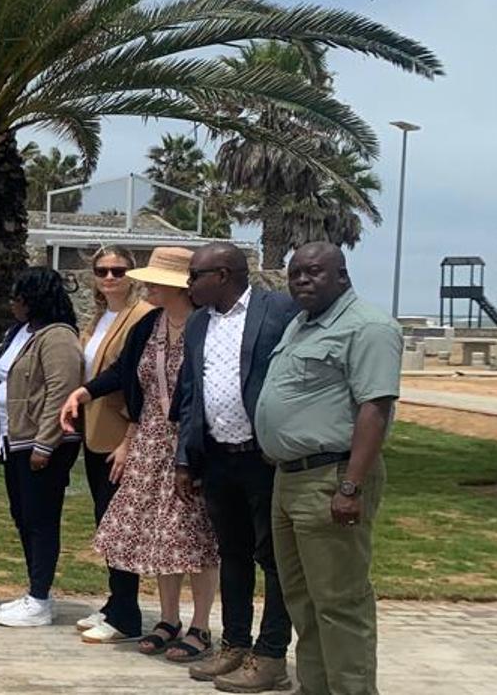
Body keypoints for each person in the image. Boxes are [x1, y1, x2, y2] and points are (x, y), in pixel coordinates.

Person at [256, 243, 401, 695]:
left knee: (341, 602)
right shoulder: (301, 325)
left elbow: (374, 408)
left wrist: (351, 487)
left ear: (342, 275)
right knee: (302, 599)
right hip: (289, 479)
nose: (301, 281)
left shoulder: (369, 328)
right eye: (295, 273)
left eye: (314, 272)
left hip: (332, 478)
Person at [63, 247, 220, 658]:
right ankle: (169, 619)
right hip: (150, 439)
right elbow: (124, 372)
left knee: (194, 535)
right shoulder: (151, 324)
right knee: (159, 534)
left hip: (189, 442)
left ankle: (201, 626)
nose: (146, 285)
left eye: (154, 279)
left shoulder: (205, 325)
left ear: (178, 285)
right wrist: (85, 391)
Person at [174, 242, 300, 692]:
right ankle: (235, 646)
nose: (188, 284)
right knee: (232, 555)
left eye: (195, 275)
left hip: (265, 459)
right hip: (219, 459)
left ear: (222, 275)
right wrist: (185, 460)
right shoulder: (197, 323)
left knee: (275, 559)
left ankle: (270, 656)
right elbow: (190, 393)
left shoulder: (278, 310)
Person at [68, 245, 153, 642]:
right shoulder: (99, 318)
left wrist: (129, 439)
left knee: (119, 523)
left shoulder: (143, 317)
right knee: (104, 520)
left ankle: (126, 614)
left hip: (119, 434)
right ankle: (115, 601)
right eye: (103, 271)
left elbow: (135, 378)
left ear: (132, 274)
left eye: (119, 271)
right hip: (93, 432)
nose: (110, 278)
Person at [0, 266, 84, 628]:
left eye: (19, 298)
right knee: (23, 516)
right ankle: (35, 590)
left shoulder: (58, 336)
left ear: (36, 299)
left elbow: (60, 391)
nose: (13, 304)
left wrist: (45, 444)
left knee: (41, 519)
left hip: (42, 443)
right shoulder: (20, 332)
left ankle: (41, 596)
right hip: (14, 439)